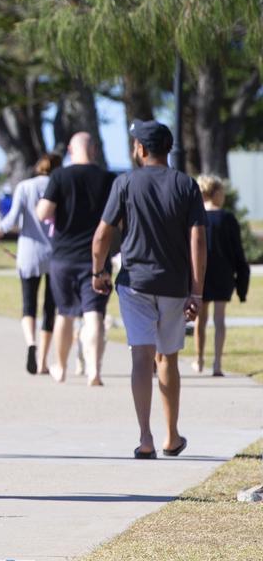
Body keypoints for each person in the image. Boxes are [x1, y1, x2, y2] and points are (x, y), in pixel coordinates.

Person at [91, 121, 205, 459]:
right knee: (167, 357)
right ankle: (172, 436)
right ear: (166, 149)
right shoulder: (186, 185)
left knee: (141, 357)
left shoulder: (124, 183)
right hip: (174, 285)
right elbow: (198, 239)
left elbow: (101, 236)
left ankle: (145, 438)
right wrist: (196, 292)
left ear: (141, 149)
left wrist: (98, 272)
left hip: (134, 283)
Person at [36, 132, 114, 385]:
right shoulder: (107, 179)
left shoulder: (60, 176)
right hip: (97, 256)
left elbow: (43, 212)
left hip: (64, 256)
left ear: (71, 149)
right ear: (94, 149)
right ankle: (94, 370)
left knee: (65, 313)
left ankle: (60, 366)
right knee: (95, 314)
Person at [0, 153, 61, 375]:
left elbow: (12, 218)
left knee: (28, 304)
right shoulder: (60, 185)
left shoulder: (24, 186)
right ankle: (42, 360)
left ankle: (31, 343)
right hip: (55, 254)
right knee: (50, 308)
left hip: (29, 253)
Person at [194, 175, 249, 376]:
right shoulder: (227, 219)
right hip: (224, 273)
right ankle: (216, 363)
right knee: (219, 319)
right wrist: (241, 278)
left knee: (200, 319)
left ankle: (199, 360)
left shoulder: (196, 218)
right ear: (216, 193)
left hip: (202, 272)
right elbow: (237, 251)